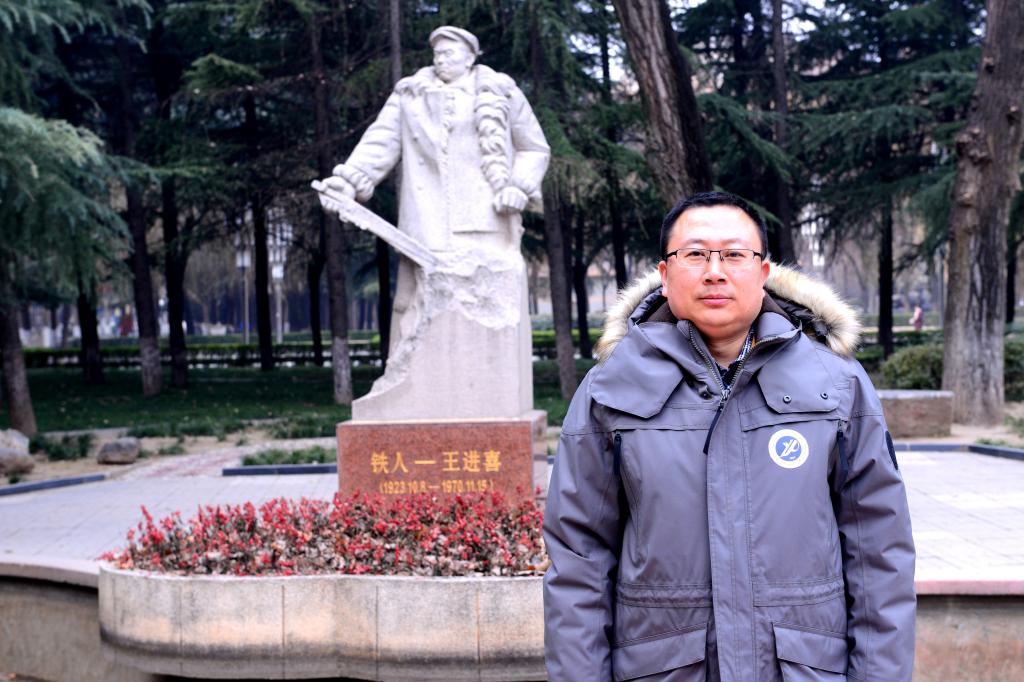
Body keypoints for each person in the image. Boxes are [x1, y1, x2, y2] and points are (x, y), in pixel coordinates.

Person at [543, 191, 916, 681]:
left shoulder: (836, 385)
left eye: (735, 255)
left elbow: (879, 554)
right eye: (695, 254)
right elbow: (579, 560)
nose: (714, 272)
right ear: (664, 274)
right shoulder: (611, 390)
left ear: (763, 272)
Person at [318, 25, 550, 355]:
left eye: (449, 53)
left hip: (486, 222)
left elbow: (534, 148)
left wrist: (518, 186)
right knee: (412, 308)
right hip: (426, 224)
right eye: (437, 54)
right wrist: (349, 180)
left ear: (470, 58)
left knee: (486, 314)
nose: (441, 60)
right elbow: (380, 141)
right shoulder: (410, 96)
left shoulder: (501, 92)